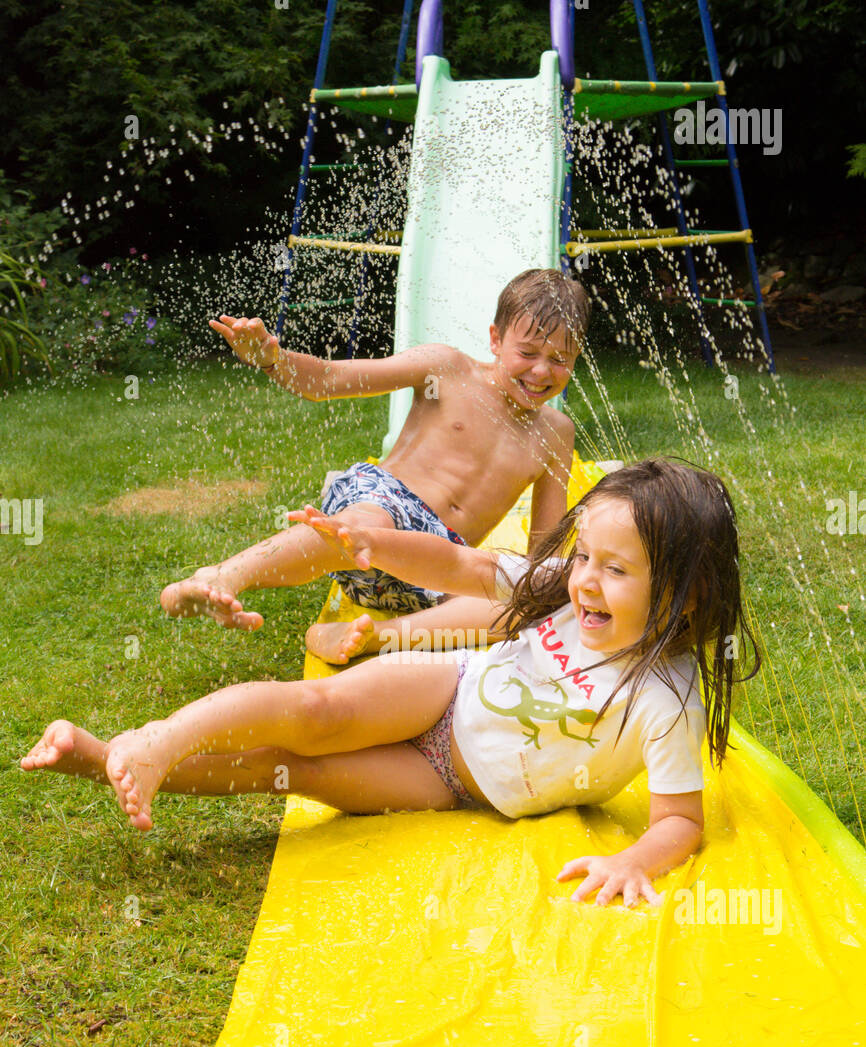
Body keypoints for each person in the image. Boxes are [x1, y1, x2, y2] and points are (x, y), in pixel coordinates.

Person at [21, 459, 759, 908]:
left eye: (616, 569)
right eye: (585, 555)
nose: (586, 580)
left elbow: (679, 822)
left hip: (455, 785)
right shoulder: (566, 589)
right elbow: (467, 568)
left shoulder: (666, 699)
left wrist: (631, 863)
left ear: (686, 594)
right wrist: (376, 544)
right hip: (446, 688)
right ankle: (159, 740)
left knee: (295, 771)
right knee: (316, 708)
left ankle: (102, 757)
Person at [159, 268, 589, 647]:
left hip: (433, 564)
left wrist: (536, 590)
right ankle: (223, 578)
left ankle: (363, 640)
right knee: (362, 528)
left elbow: (544, 547)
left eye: (559, 359)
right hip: (386, 501)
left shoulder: (556, 432)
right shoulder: (448, 369)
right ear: (496, 339)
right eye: (528, 353)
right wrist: (273, 360)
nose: (540, 371)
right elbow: (329, 379)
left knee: (516, 608)